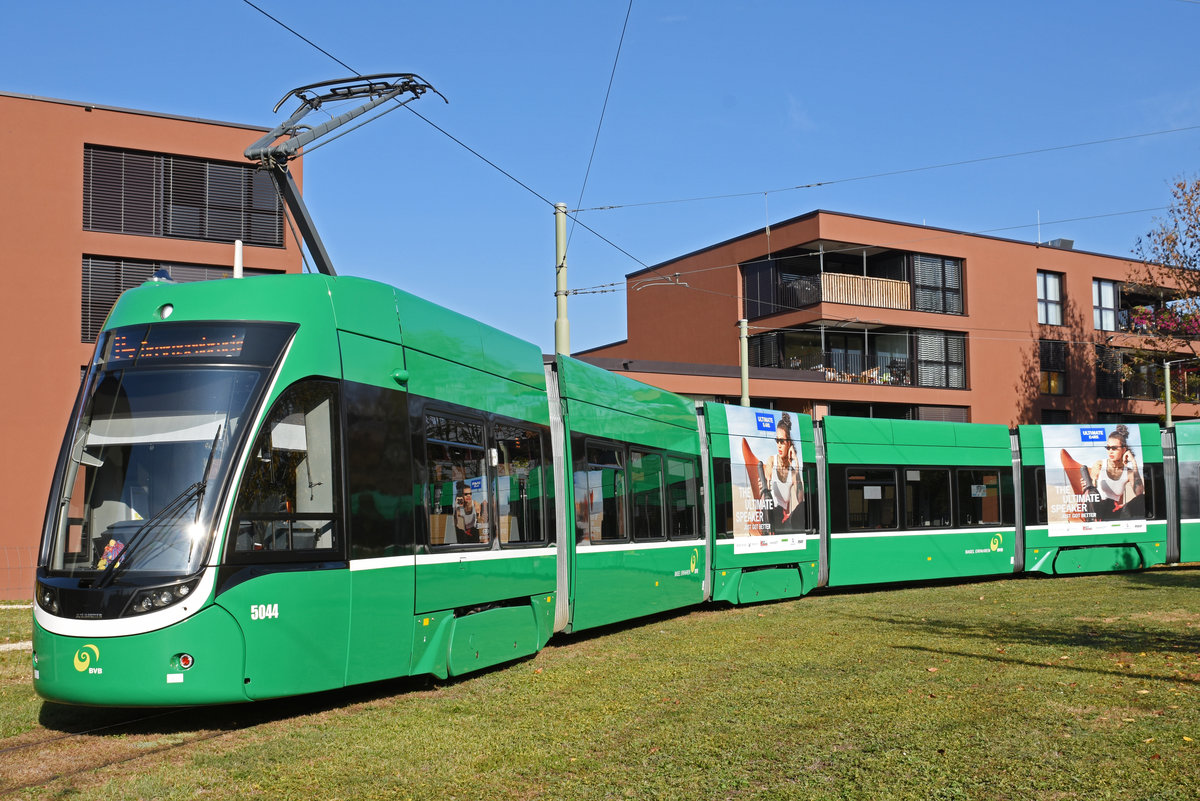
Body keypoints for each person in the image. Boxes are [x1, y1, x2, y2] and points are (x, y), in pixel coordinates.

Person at [1088, 424, 1144, 520]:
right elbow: (1092, 485)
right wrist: (1093, 480)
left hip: (1114, 513)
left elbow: (1139, 493)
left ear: (1124, 449)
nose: (1110, 451)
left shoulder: (1128, 472)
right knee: (1094, 495)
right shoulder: (1100, 464)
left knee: (1142, 499)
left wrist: (1134, 463)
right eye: (1108, 448)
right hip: (1098, 509)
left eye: (1114, 448)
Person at [761, 412, 804, 531]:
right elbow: (767, 478)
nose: (779, 445)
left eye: (782, 441)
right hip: (772, 516)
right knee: (777, 510)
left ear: (788, 443)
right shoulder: (771, 460)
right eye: (777, 441)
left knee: (801, 508)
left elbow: (801, 499)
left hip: (785, 522)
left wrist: (795, 462)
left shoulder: (793, 472)